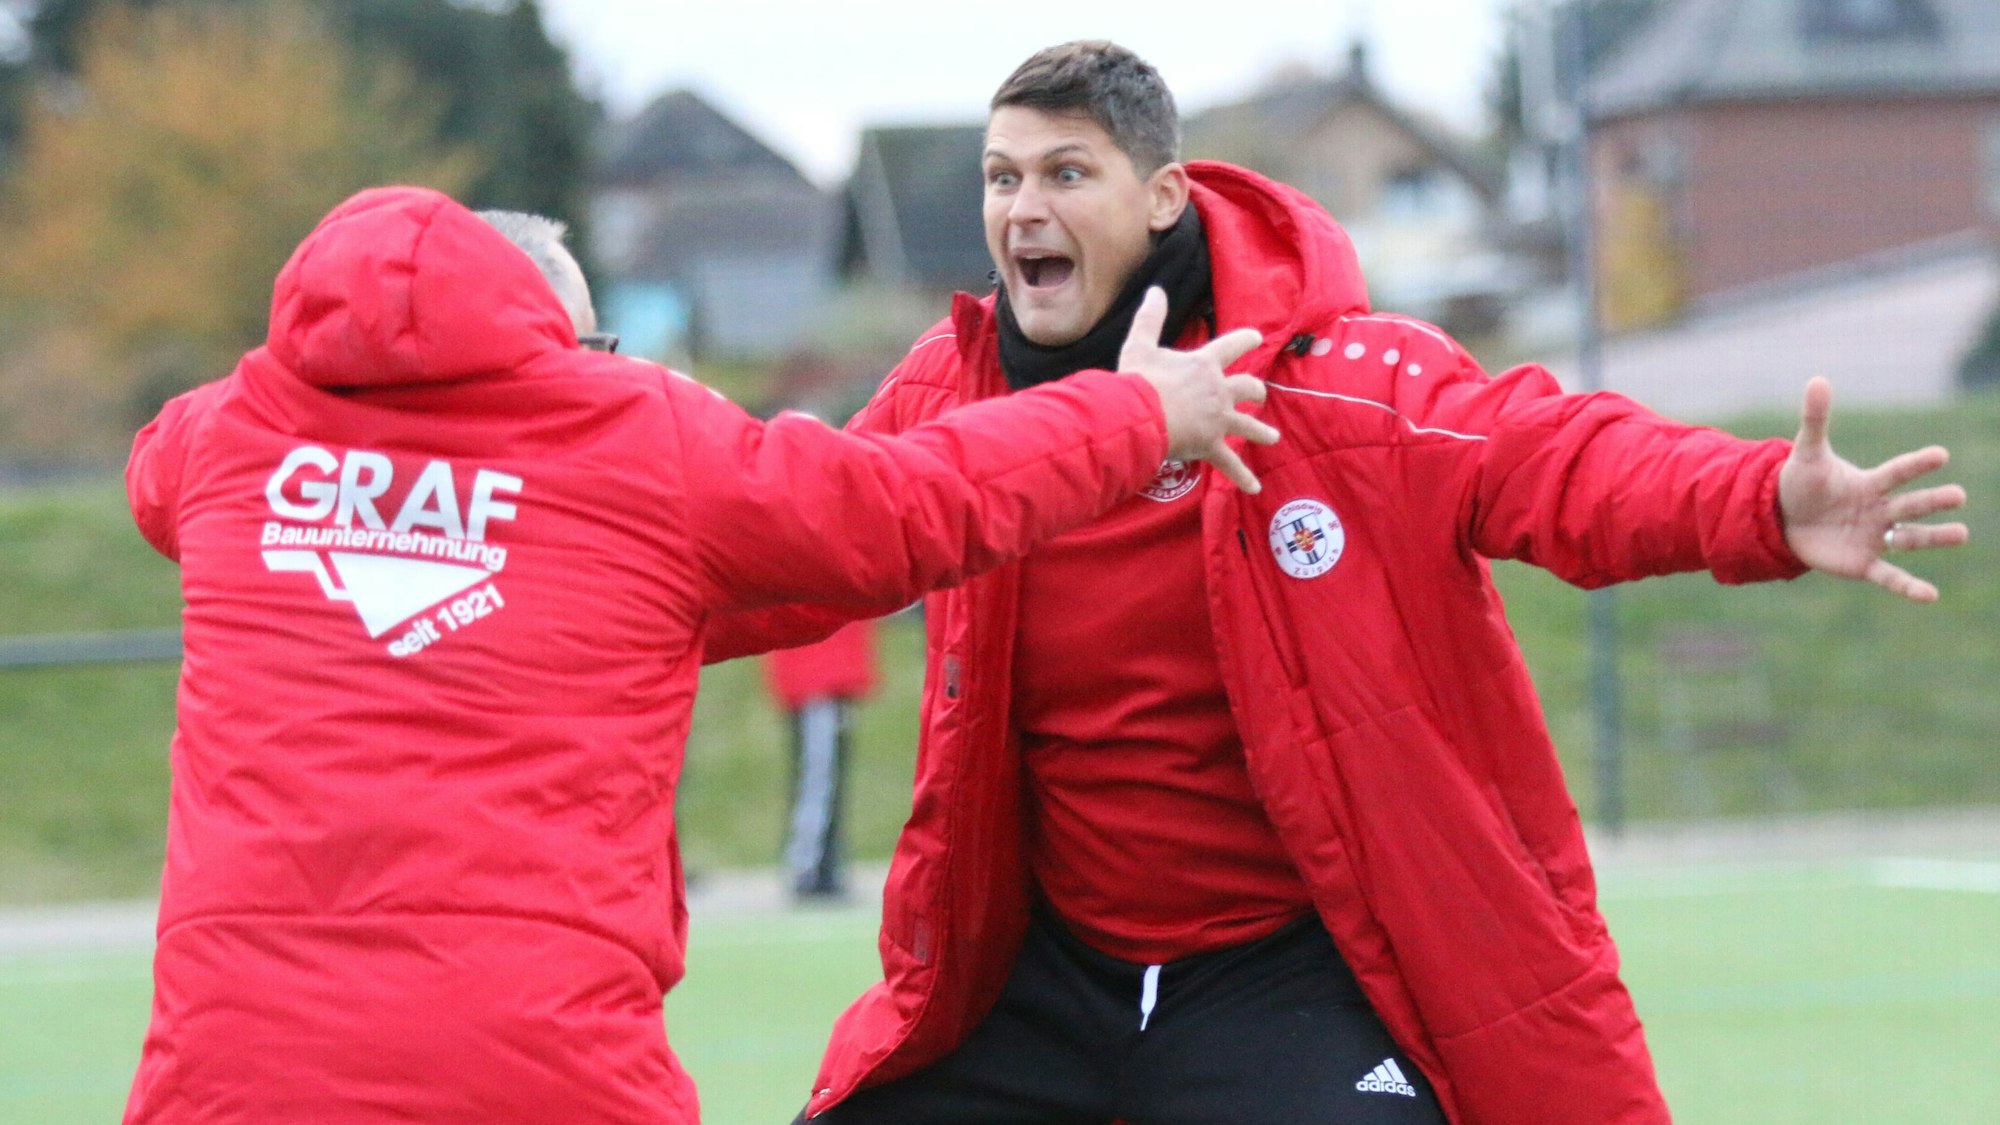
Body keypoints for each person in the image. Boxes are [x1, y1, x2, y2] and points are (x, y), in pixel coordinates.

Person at [704, 41, 1970, 1125]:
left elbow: (1552, 458)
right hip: (1040, 969)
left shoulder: (1340, 380)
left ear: (1161, 196)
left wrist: (1758, 500)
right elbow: (802, 545)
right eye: (1001, 177)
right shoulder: (950, 390)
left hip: (1274, 975)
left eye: (1064, 174)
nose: (1021, 208)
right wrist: (608, 574)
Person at [118, 184, 1278, 1123]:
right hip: (542, 1071)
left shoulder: (226, 438)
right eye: (590, 342)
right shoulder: (636, 437)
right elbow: (904, 505)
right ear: (542, 331)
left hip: (224, 1079)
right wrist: (1134, 416)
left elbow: (156, 481)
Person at [763, 617, 881, 900]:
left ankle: (823, 864)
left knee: (825, 773)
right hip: (817, 675)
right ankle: (808, 865)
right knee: (819, 774)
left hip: (824, 673)